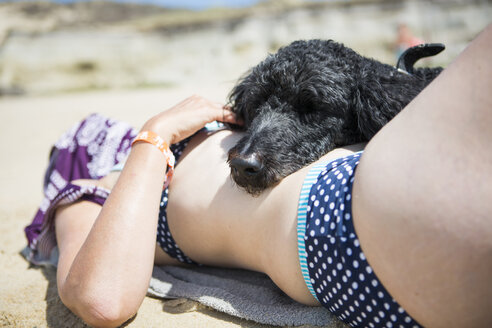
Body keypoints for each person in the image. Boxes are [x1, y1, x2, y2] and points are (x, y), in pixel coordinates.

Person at [24, 25, 491, 328]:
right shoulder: (88, 191)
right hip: (344, 231)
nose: (245, 151)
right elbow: (101, 301)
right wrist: (154, 136)